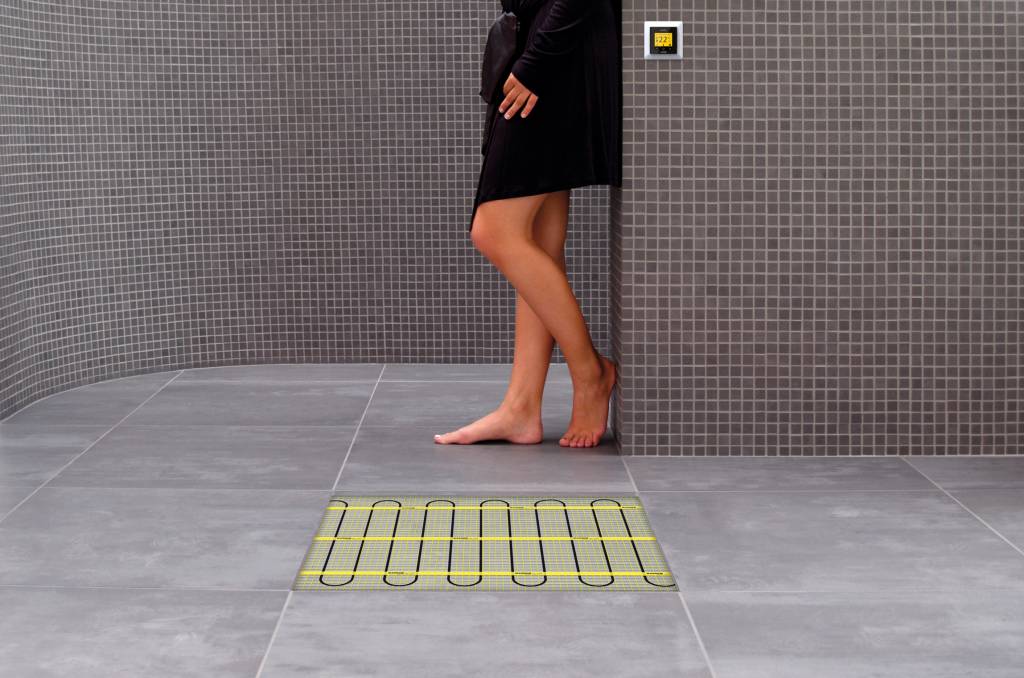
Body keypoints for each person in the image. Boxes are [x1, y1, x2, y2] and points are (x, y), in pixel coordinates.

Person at [434, 0, 622, 448]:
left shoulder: (546, 56)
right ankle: (521, 407)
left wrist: (538, 59)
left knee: (495, 230)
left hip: (556, 52)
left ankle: (590, 372)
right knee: (537, 240)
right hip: (551, 45)